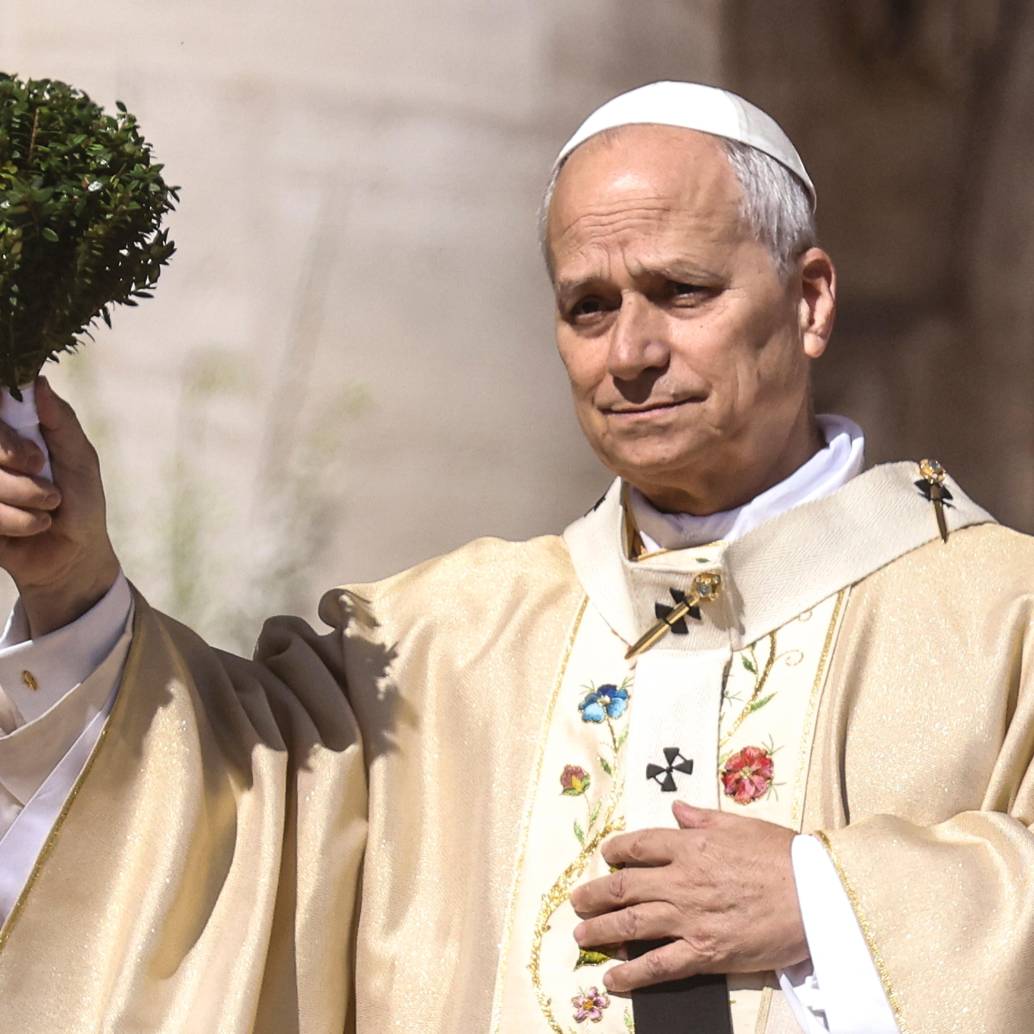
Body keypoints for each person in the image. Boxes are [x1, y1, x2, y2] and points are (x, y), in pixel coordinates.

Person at [0, 81, 1027, 1034]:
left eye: (680, 290)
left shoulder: (999, 613)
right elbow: (227, 821)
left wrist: (823, 898)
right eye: (589, 306)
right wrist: (72, 586)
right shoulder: (436, 646)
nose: (629, 354)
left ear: (808, 301)